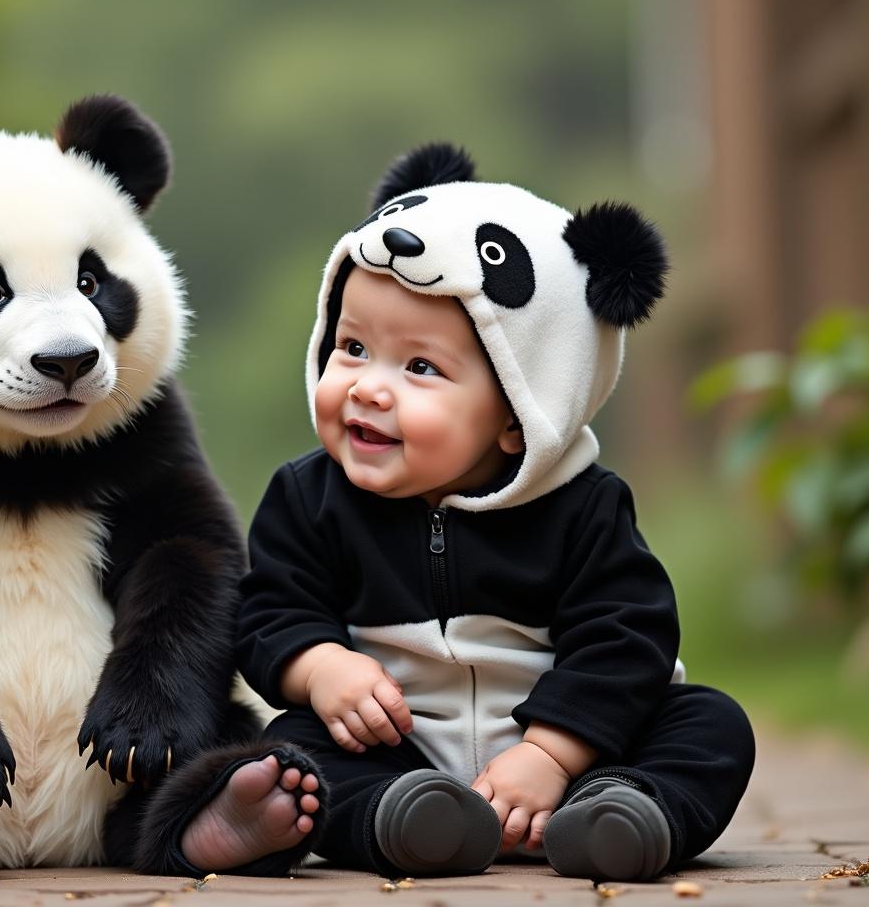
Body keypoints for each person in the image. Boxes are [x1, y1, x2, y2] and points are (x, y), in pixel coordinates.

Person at [170, 144, 755, 881]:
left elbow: (626, 636)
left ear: (521, 412)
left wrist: (550, 755)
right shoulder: (308, 496)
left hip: (573, 753)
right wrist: (321, 667)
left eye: (419, 368)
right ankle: (407, 821)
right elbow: (269, 611)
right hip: (396, 748)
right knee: (293, 748)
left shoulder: (582, 507)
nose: (368, 388)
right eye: (351, 347)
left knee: (711, 726)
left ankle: (624, 811)